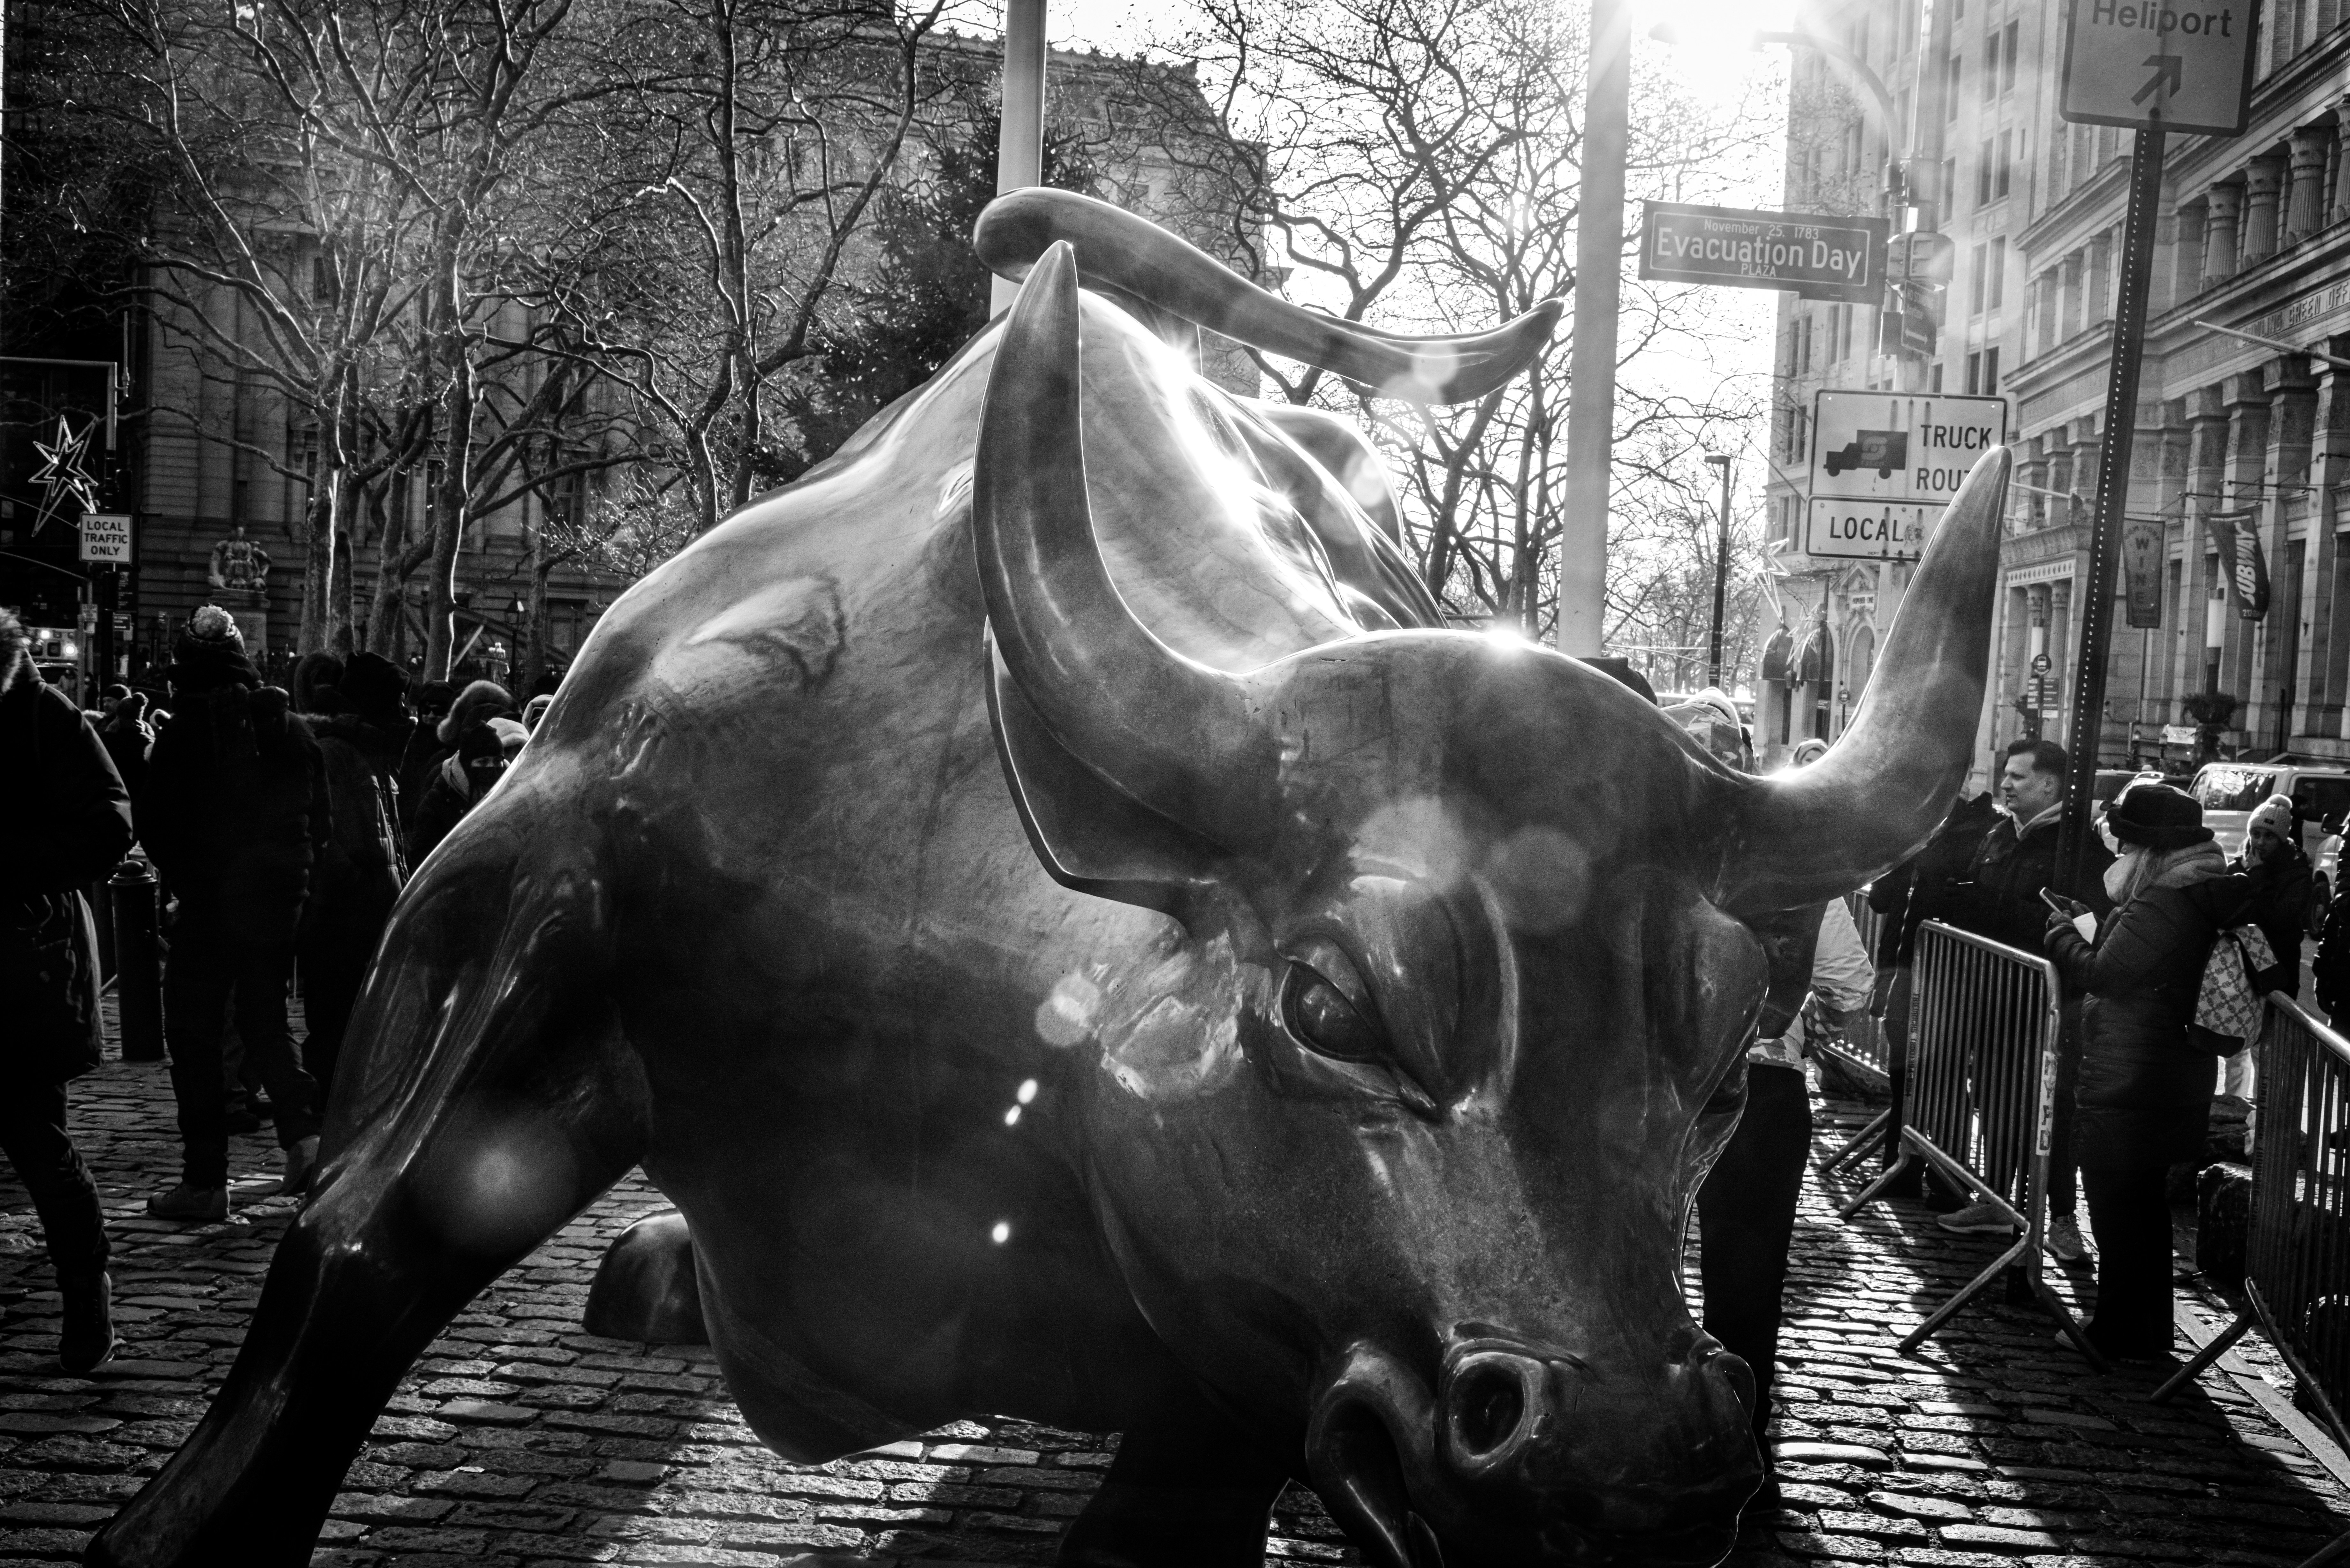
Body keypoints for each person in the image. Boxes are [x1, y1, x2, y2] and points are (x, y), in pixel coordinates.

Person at [2042, 782, 2248, 1363]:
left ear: (2150, 851)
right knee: (2142, 1205)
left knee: (2117, 1205)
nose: (2120, 856)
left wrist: (2061, 934)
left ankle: (2118, 1328)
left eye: (2128, 845)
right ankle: (2149, 1325)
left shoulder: (2165, 899)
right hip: (2166, 1073)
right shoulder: (2194, 889)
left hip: (2135, 1075)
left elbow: (2108, 974)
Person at [136, 606, 328, 1219]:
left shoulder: (185, 731)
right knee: (266, 1020)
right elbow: (319, 823)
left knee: (193, 1035)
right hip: (277, 904)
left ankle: (205, 1180)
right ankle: (306, 1140)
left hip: (213, 904)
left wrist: (190, 886)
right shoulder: (293, 729)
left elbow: (158, 826)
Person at [1698, 895, 1874, 1508]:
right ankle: (1739, 1436)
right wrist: (1805, 1034)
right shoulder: (1808, 876)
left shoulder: (1661, 842)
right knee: (1747, 1272)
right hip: (1762, 1076)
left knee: (1632, 1265)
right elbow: (1849, 986)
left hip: (1652, 1079)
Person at [0, 610, 129, 1372]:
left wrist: (9, 865)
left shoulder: (46, 716)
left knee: (37, 1142)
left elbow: (108, 826)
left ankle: (88, 1295)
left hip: (21, 962)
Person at [1936, 738, 2113, 1256]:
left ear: (2050, 784)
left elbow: (2089, 926)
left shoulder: (2077, 847)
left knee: (2050, 1110)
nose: (2006, 784)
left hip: (2051, 1004)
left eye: (2017, 776)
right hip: (1994, 996)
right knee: (1994, 1098)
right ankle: (1996, 1195)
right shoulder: (1999, 833)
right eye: (2006, 775)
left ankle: (2060, 1216)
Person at [295, 652, 413, 1098]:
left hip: (369, 916)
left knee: (359, 1026)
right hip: (341, 923)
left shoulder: (371, 751)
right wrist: (365, 894)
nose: (405, 712)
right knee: (335, 1027)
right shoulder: (336, 752)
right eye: (398, 700)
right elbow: (331, 845)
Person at [407, 714, 526, 865]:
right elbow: (422, 858)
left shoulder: (512, 791)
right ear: (466, 764)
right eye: (482, 762)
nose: (491, 768)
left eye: (497, 761)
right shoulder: (438, 801)